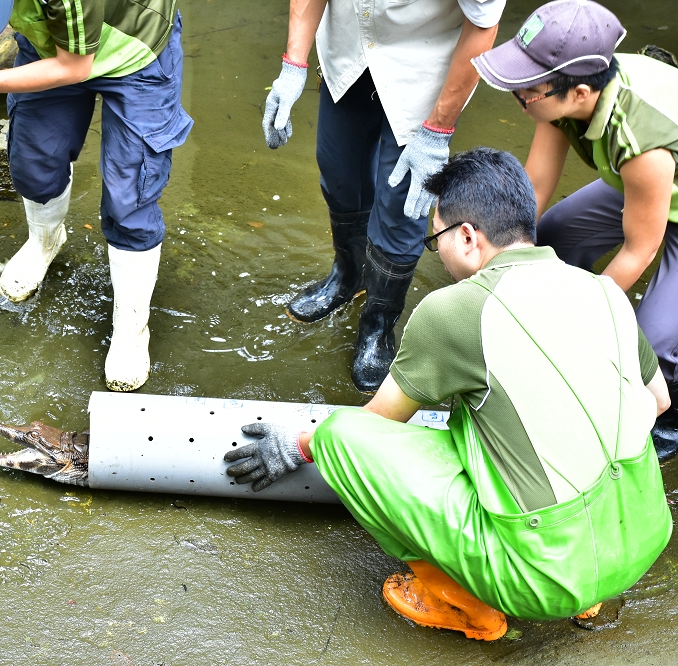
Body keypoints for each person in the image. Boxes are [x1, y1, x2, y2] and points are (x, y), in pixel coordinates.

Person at [225, 148, 673, 640]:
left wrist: (296, 445)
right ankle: (594, 592)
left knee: (341, 437)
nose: (436, 254)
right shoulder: (602, 291)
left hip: (546, 574)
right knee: (482, 426)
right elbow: (656, 402)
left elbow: (377, 421)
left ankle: (461, 603)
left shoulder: (457, 310)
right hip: (643, 533)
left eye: (435, 241)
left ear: (466, 236)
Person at [0, 0, 192, 392]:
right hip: (51, 40)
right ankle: (45, 242)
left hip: (134, 52)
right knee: (34, 162)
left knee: (130, 197)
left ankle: (131, 329)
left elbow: (74, 67)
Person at [471, 0, 678, 462]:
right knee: (553, 236)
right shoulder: (559, 99)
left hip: (657, 179)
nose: (519, 96)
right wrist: (495, 262)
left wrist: (579, 320)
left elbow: (639, 250)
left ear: (581, 91)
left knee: (652, 339)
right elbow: (536, 185)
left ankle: (671, 417)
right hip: (636, 185)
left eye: (527, 89)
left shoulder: (639, 138)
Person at [263, 0, 504, 393]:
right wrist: (293, 66)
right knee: (339, 166)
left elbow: (482, 25)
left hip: (423, 68)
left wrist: (438, 130)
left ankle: (378, 322)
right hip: (350, 47)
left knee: (401, 201)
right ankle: (348, 274)